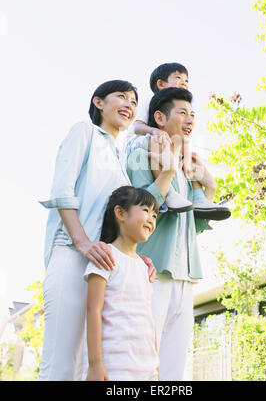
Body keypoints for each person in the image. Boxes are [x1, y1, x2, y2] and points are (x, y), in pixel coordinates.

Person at [38, 80, 158, 381]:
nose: (129, 104)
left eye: (134, 100)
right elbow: (62, 190)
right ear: (99, 102)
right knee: (61, 364)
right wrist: (82, 242)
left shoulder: (120, 161)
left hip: (101, 263)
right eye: (121, 97)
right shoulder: (85, 132)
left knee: (85, 368)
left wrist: (133, 257)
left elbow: (119, 222)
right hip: (70, 252)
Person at [126, 87, 219, 381]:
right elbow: (141, 212)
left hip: (185, 276)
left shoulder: (186, 168)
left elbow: (192, 225)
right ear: (159, 118)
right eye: (182, 112)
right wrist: (165, 172)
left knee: (174, 369)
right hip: (152, 270)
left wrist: (209, 186)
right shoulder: (142, 153)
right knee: (140, 363)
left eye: (193, 114)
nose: (190, 119)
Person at [126, 62, 230, 220]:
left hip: (165, 143)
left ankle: (199, 197)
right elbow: (137, 127)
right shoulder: (150, 101)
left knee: (191, 158)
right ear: (160, 84)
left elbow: (185, 141)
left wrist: (187, 159)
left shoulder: (179, 124)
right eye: (178, 78)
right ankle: (168, 193)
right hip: (143, 141)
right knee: (158, 139)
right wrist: (156, 130)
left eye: (187, 80)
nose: (184, 82)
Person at [84, 186, 160, 381]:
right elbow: (93, 311)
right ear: (120, 213)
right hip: (115, 369)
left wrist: (156, 369)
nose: (151, 219)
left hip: (147, 370)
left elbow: (148, 321)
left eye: (154, 215)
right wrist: (95, 364)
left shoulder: (145, 267)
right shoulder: (106, 256)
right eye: (145, 211)